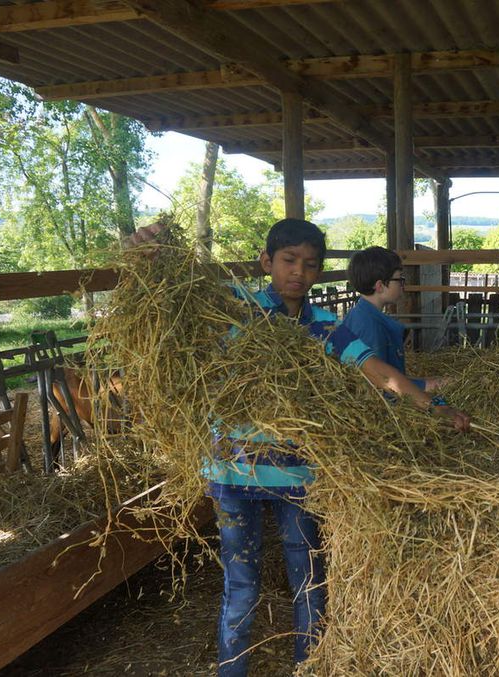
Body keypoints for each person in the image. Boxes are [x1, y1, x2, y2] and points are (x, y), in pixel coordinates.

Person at [128, 218, 469, 676]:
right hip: (234, 472)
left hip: (298, 474)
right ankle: (232, 670)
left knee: (309, 581)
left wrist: (433, 407)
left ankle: (308, 666)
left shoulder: (327, 328)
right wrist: (149, 259)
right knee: (242, 585)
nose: (299, 273)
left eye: (310, 265)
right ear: (268, 262)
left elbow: (379, 373)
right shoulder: (234, 312)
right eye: (289, 261)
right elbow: (174, 305)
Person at [342, 246, 445, 392]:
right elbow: (379, 384)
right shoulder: (369, 326)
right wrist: (429, 386)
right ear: (380, 286)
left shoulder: (362, 315)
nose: (403, 285)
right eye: (399, 279)